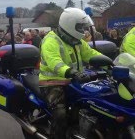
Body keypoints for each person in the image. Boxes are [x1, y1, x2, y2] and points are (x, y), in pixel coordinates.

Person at [39, 8, 102, 139]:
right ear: (70, 24)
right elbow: (54, 61)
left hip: (74, 80)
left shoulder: (76, 40)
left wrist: (109, 62)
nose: (83, 31)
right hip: (52, 83)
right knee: (60, 113)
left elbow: (91, 54)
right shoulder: (51, 40)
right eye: (80, 27)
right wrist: (71, 72)